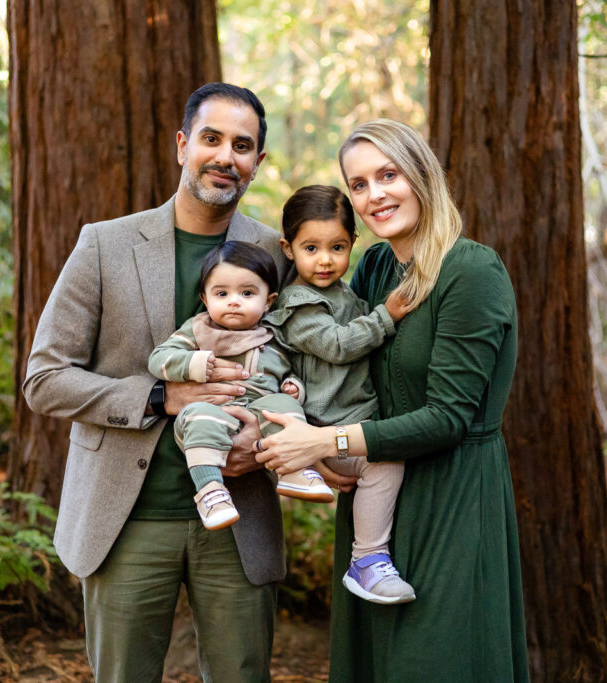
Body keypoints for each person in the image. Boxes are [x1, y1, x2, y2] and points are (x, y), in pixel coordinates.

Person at [23, 83, 294, 683]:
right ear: (182, 145)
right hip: (126, 520)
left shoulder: (276, 253)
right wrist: (157, 396)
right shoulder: (105, 244)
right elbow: (44, 379)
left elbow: (307, 372)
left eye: (242, 146)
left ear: (258, 162)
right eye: (212, 138)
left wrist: (270, 441)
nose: (226, 156)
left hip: (239, 518)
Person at [254, 119, 530, 681]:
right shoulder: (377, 267)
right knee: (375, 664)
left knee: (435, 659)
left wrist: (323, 441)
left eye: (388, 175)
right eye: (358, 185)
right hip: (376, 497)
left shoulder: (471, 271)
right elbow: (337, 362)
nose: (374, 194)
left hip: (452, 497)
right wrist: (324, 447)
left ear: (421, 174)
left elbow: (448, 418)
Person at [264, 185, 416, 604]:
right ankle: (367, 559)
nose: (326, 259)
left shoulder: (342, 292)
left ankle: (371, 555)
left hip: (352, 419)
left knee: (386, 460)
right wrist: (387, 315)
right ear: (288, 248)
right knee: (384, 462)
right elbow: (337, 344)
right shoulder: (299, 303)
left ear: (353, 244)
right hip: (325, 428)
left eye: (337, 246)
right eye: (311, 247)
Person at [147, 240, 335, 532]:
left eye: (247, 293)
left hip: (258, 411)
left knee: (284, 407)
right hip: (212, 411)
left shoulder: (274, 337)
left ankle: (294, 470)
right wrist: (195, 364)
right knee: (200, 416)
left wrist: (293, 388)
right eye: (221, 293)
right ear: (206, 299)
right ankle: (211, 493)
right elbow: (159, 359)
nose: (234, 301)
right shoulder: (198, 330)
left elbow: (290, 371)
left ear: (269, 301)